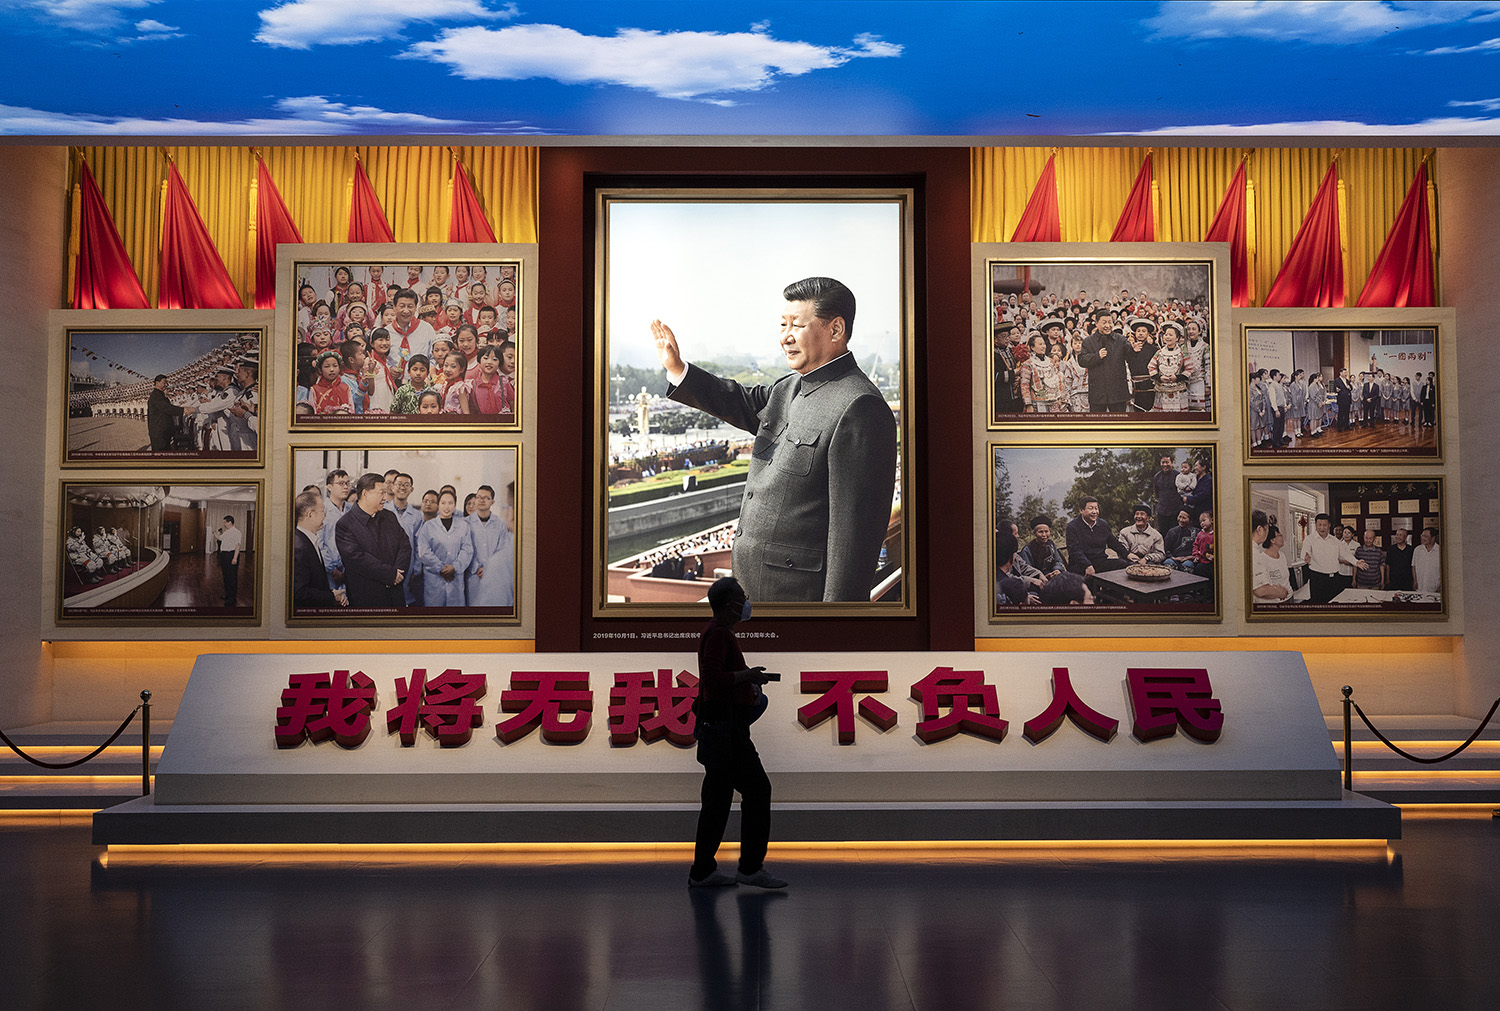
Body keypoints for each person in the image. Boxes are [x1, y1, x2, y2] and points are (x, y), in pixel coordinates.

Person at [653, 276, 897, 602]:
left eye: (796, 325)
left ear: (836, 330)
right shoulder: (788, 388)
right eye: (782, 325)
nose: (785, 337)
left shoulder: (860, 406)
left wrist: (837, 625)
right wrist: (678, 369)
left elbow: (853, 539)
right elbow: (736, 400)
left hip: (799, 602)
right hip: (751, 592)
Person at [688, 577, 784, 890]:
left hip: (717, 731)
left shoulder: (716, 633)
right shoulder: (719, 635)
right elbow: (714, 678)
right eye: (742, 597)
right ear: (730, 604)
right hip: (728, 734)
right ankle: (750, 867)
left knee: (716, 802)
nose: (746, 601)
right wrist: (749, 676)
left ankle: (702, 870)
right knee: (758, 790)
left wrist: (749, 680)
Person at [334, 473, 410, 607]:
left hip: (395, 594)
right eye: (381, 493)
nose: (385, 498)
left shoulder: (389, 517)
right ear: (365, 494)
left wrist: (397, 575)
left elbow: (405, 546)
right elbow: (357, 559)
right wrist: (390, 574)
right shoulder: (345, 524)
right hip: (366, 598)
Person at [416, 490, 473, 607]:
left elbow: (467, 550)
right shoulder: (428, 526)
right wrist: (441, 568)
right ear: (438, 505)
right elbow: (424, 552)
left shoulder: (463, 526)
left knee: (455, 618)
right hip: (434, 580)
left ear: (455, 505)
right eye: (443, 503)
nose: (446, 507)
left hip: (455, 580)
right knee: (434, 618)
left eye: (450, 503)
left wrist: (454, 567)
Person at [292, 489, 347, 608]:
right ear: (310, 514)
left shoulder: (308, 540)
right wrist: (331, 596)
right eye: (323, 511)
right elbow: (300, 593)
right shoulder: (299, 547)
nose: (325, 516)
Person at [466, 483, 515, 607]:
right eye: (478, 497)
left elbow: (502, 547)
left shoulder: (500, 523)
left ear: (492, 502)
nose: (481, 500)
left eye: (486, 498)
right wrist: (477, 567)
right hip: (473, 575)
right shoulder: (465, 523)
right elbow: (466, 549)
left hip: (496, 575)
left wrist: (488, 567)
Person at [1301, 513, 1365, 603]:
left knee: (1334, 603)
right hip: (1318, 579)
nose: (1322, 528)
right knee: (1318, 604)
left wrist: (1356, 562)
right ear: (1315, 525)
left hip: (1334, 579)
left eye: (1324, 525)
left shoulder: (1335, 540)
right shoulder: (1309, 539)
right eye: (1319, 525)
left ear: (1329, 525)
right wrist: (1306, 557)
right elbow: (1305, 552)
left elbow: (1345, 554)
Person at [1078, 308, 1129, 412]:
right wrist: (1097, 356)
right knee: (1097, 424)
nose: (1107, 325)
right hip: (1098, 392)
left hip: (1117, 392)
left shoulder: (1121, 340)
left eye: (1110, 322)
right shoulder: (1088, 341)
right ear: (1096, 323)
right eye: (1104, 322)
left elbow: (1131, 357)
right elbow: (1082, 360)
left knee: (1119, 424)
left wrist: (1134, 350)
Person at [1064, 496, 1129, 575]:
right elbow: (1074, 550)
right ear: (1081, 510)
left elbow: (1113, 543)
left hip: (1100, 562)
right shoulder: (1072, 527)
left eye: (1096, 508)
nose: (1094, 512)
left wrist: (1127, 554)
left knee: (1123, 564)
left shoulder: (1103, 524)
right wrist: (1087, 565)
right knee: (1089, 580)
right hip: (1080, 564)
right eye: (1091, 508)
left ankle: (1109, 588)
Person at [146, 373, 195, 451]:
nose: (166, 385)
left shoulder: (159, 394)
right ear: (157, 383)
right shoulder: (156, 395)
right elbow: (167, 408)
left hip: (162, 430)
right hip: (159, 431)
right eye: (164, 382)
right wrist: (184, 410)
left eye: (166, 383)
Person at [1252, 524, 1293, 602]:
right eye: (1279, 535)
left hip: (1290, 597)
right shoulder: (1262, 559)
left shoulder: (1282, 555)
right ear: (1272, 540)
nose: (1282, 537)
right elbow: (1262, 588)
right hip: (1276, 601)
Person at [1018, 516, 1066, 580]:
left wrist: (1057, 570)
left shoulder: (1051, 544)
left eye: (1046, 531)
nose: (1044, 535)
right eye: (1040, 532)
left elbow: (1057, 560)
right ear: (1034, 534)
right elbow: (1027, 570)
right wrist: (1042, 576)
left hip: (1054, 576)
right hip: (1037, 579)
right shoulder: (1028, 549)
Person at [217, 514, 242, 607]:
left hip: (231, 555)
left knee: (232, 578)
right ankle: (228, 595)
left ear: (230, 522)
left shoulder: (237, 532)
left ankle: (232, 598)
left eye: (225, 522)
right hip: (224, 555)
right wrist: (215, 533)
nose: (224, 524)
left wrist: (235, 558)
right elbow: (220, 538)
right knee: (226, 576)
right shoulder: (227, 532)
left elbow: (237, 546)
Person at [1413, 527, 1441, 592]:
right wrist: (1415, 581)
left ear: (1433, 538)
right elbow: (1413, 566)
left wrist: (1441, 586)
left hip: (1434, 588)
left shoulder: (1440, 551)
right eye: (1422, 536)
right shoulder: (1417, 550)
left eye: (1426, 536)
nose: (1423, 538)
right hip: (1420, 586)